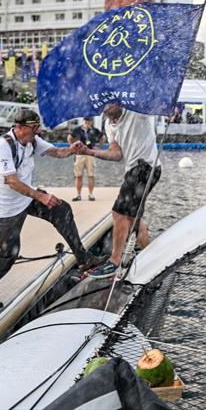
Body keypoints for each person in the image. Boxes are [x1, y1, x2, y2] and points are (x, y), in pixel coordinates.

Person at [0, 109, 99, 309]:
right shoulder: (2, 146)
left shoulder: (32, 140)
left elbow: (56, 152)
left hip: (27, 197)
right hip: (8, 206)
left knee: (61, 210)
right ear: (20, 128)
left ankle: (84, 258)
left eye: (38, 128)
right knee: (9, 254)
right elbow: (13, 182)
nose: (38, 132)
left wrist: (72, 149)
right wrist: (41, 196)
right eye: (34, 128)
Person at [80, 103, 161, 280]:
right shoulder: (109, 125)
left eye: (109, 104)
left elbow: (153, 102)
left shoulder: (137, 111)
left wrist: (167, 110)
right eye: (103, 106)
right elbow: (116, 154)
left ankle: (114, 262)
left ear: (119, 102)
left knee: (118, 213)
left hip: (146, 167)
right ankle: (153, 259)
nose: (105, 109)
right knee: (133, 219)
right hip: (134, 170)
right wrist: (89, 151)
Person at [67, 117, 103, 201]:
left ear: (91, 121)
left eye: (88, 120)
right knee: (78, 175)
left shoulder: (94, 130)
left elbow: (102, 137)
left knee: (91, 175)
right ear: (83, 121)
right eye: (85, 120)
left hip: (90, 153)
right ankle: (78, 194)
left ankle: (91, 194)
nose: (87, 122)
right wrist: (72, 146)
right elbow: (69, 137)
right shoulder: (77, 129)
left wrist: (99, 146)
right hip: (79, 154)